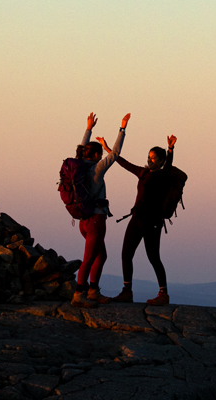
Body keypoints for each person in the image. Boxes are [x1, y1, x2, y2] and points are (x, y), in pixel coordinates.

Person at [100, 135, 177, 306]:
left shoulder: (164, 176)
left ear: (162, 160)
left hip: (153, 221)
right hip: (136, 219)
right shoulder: (142, 172)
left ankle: (163, 294)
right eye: (148, 157)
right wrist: (107, 149)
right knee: (126, 254)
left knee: (153, 257)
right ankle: (127, 291)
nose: (149, 160)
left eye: (153, 158)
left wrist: (170, 149)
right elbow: (124, 163)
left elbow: (169, 165)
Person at [70, 112, 127, 308]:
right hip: (95, 220)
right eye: (100, 155)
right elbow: (116, 153)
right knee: (88, 259)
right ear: (95, 155)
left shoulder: (78, 165)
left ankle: (93, 290)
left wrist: (88, 128)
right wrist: (122, 128)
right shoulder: (96, 169)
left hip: (84, 221)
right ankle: (79, 294)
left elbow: (80, 148)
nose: (102, 157)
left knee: (101, 256)